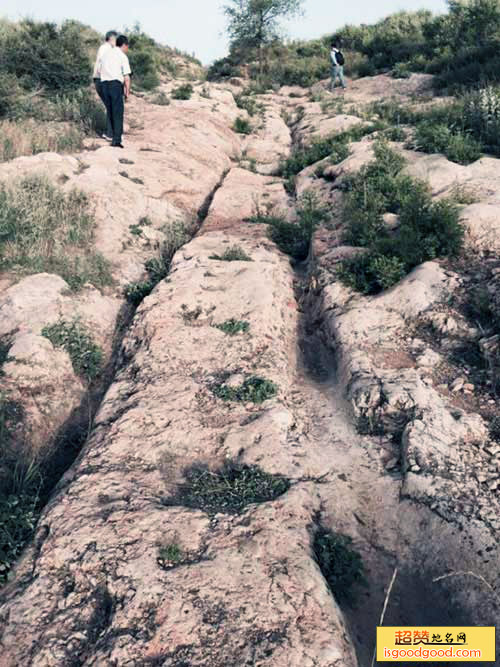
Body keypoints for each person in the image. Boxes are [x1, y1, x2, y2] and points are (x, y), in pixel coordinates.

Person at [98, 35, 132, 149]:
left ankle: (111, 135)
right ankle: (116, 140)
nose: (127, 49)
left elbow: (99, 70)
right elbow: (126, 77)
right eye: (128, 46)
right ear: (124, 45)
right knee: (117, 112)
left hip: (104, 84)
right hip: (115, 85)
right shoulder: (122, 56)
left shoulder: (106, 54)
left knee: (110, 110)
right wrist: (127, 92)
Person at [93, 30, 118, 140]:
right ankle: (110, 134)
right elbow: (102, 63)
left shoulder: (106, 48)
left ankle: (110, 133)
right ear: (112, 38)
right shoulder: (106, 48)